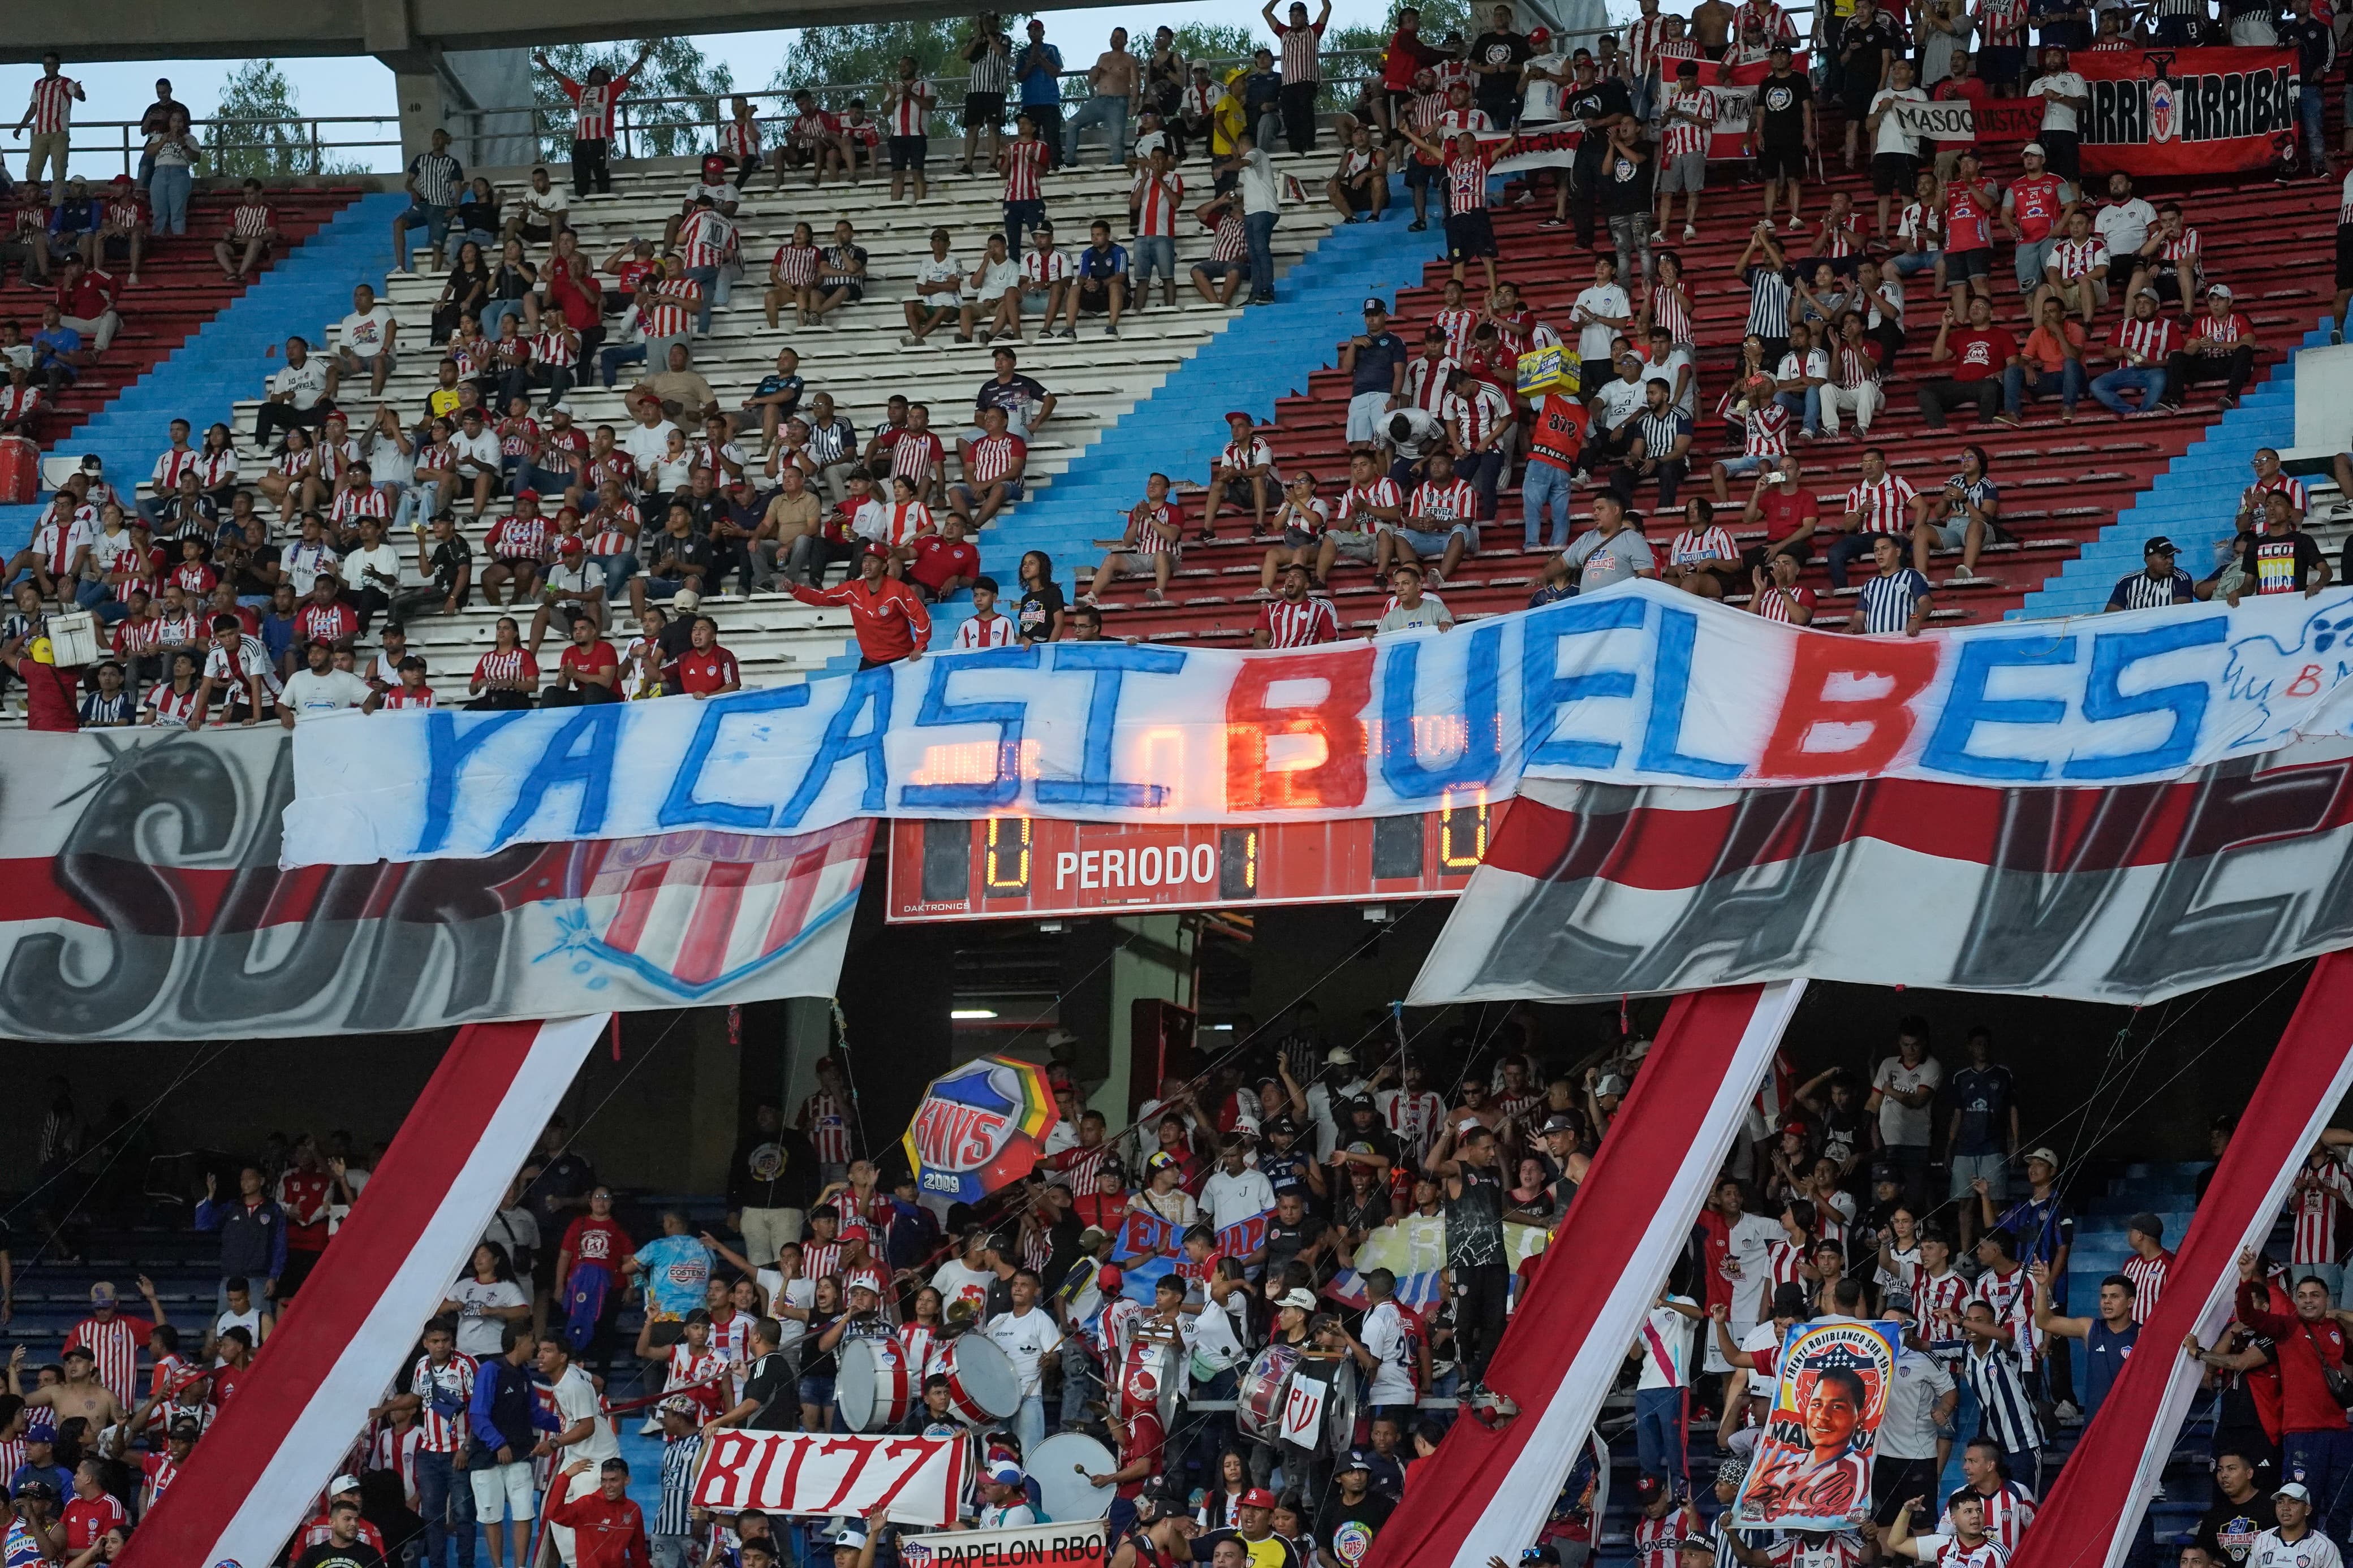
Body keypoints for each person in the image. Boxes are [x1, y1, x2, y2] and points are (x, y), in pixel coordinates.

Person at [2106, 535, 2196, 611]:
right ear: (2148, 561)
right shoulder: (2127, 581)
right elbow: (2111, 617)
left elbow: (2180, 614)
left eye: (2172, 556)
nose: (2171, 561)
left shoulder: (2181, 578)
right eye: (2164, 557)